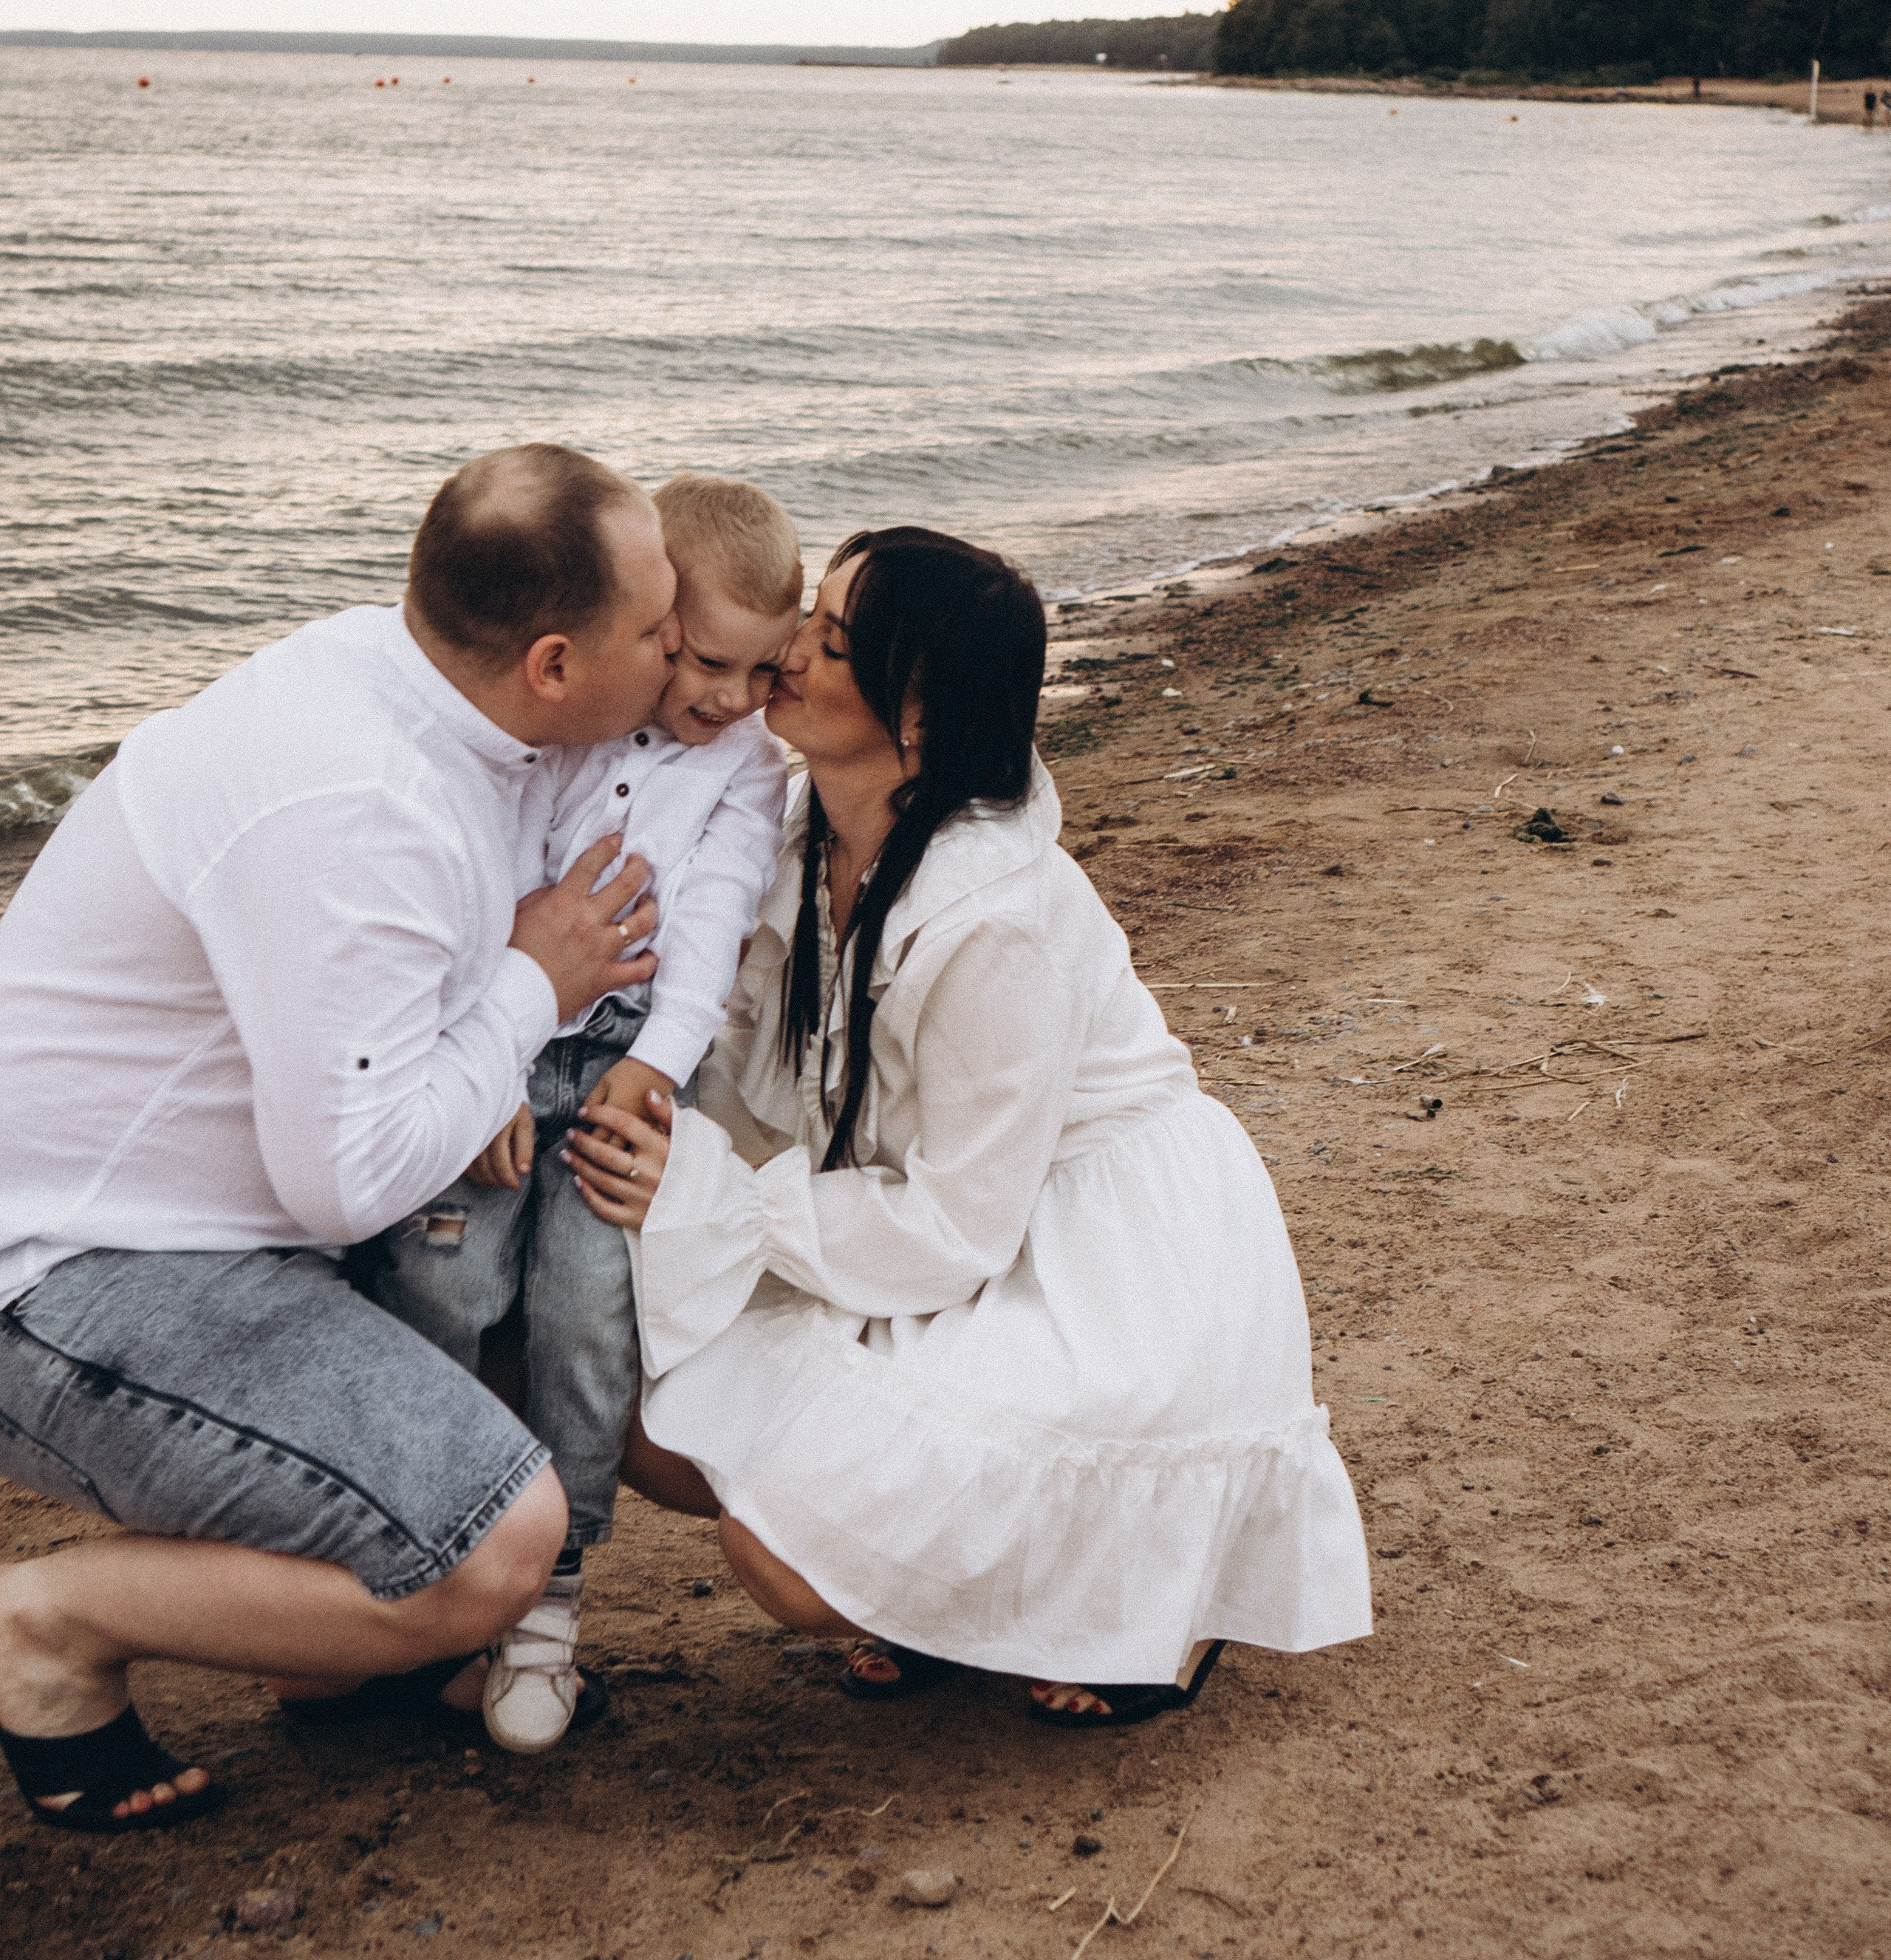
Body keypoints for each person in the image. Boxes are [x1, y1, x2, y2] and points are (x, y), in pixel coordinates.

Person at [569, 527, 1372, 1727]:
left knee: (782, 1561)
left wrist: (718, 1204)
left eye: (833, 642)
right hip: (932, 1206)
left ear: (922, 718)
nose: (785, 651)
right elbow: (767, 1072)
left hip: (1099, 1256)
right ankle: (949, 1597)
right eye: (812, 617)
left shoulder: (996, 915)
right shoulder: (804, 827)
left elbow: (958, 1223)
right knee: (649, 1417)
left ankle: (1151, 1608)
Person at [0, 444, 674, 1831]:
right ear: (552, 665)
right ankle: (44, 1627)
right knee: (496, 1544)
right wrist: (534, 986)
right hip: (75, 1271)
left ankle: (347, 1654)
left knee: (537, 1324)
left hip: (211, 1224)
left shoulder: (417, 686)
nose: (680, 655)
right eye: (660, 633)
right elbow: (347, 1178)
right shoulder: (360, 806)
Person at [372, 474, 799, 1754]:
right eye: (703, 659)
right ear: (653, 620)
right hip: (502, 1037)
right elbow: (489, 879)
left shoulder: (746, 769)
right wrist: (490, 1067)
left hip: (626, 1055)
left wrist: (660, 1063)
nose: (726, 697)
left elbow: (715, 919)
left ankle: (549, 1605)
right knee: (443, 1283)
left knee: (585, 1315)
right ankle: (417, 1544)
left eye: (762, 672)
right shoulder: (574, 726)